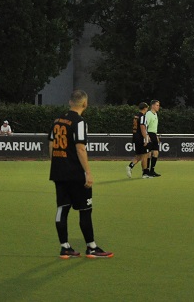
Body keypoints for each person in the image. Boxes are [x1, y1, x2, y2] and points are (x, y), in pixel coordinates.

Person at [49, 89, 113, 259]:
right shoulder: (79, 122)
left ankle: (65, 247)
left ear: (70, 102)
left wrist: (56, 162)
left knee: (62, 208)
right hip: (75, 173)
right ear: (85, 104)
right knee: (85, 209)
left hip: (58, 171)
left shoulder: (57, 121)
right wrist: (88, 172)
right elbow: (80, 147)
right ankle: (91, 247)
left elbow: (51, 144)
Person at [127, 102, 151, 179]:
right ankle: (145, 174)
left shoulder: (135, 116)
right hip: (141, 138)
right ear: (145, 108)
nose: (147, 109)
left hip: (135, 137)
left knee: (139, 155)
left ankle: (130, 166)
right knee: (145, 155)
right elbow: (142, 128)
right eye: (147, 107)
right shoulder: (142, 117)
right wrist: (146, 139)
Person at [145, 100, 162, 177]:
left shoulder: (155, 114)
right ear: (153, 106)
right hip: (149, 134)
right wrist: (147, 135)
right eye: (157, 105)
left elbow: (154, 127)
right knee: (148, 153)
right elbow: (145, 125)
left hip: (154, 134)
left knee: (156, 153)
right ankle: (147, 171)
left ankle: (152, 170)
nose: (158, 107)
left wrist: (156, 135)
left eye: (158, 105)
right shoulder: (149, 114)